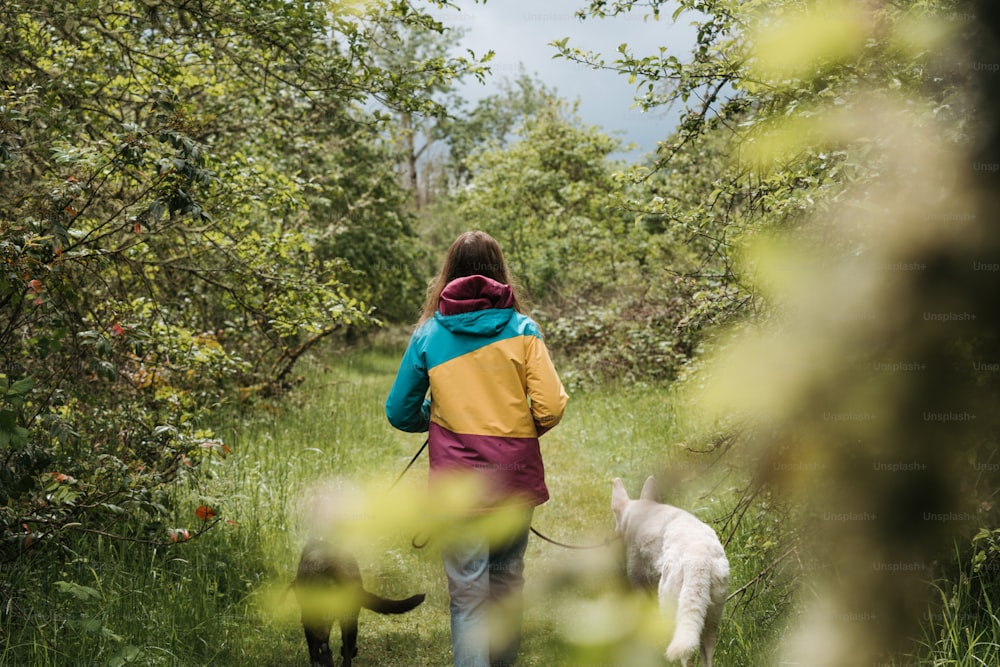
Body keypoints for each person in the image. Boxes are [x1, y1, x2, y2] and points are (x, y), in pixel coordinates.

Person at [385, 230, 568, 667]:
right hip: (512, 483)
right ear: (500, 272)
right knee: (505, 587)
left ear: (449, 272)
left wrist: (435, 418)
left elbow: (398, 410)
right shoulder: (523, 330)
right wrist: (516, 436)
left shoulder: (429, 334)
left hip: (457, 490)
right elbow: (551, 405)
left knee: (468, 596)